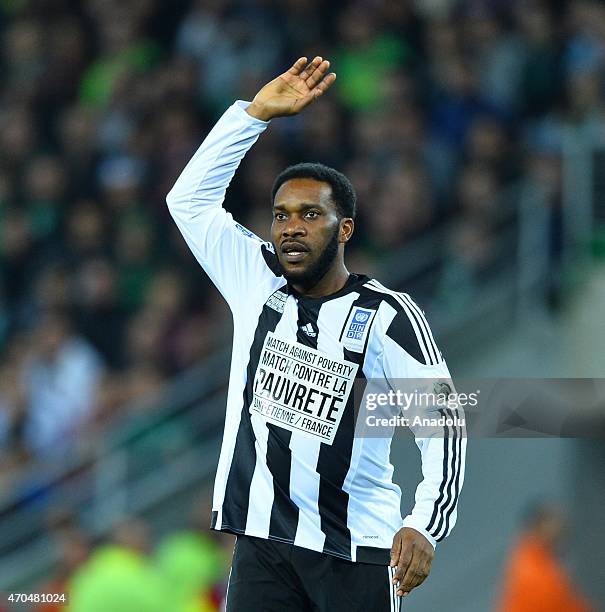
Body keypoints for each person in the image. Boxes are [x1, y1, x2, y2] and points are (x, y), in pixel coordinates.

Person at [167, 56, 466, 611]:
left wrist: (426, 523)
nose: (290, 227)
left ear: (344, 228)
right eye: (280, 216)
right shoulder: (255, 284)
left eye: (309, 214)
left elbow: (443, 423)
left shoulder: (387, 316)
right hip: (262, 545)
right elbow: (188, 202)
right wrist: (252, 116)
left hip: (355, 552)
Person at [496, 503, 594, 612]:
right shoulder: (536, 575)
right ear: (540, 527)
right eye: (559, 531)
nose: (563, 534)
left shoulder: (528, 554)